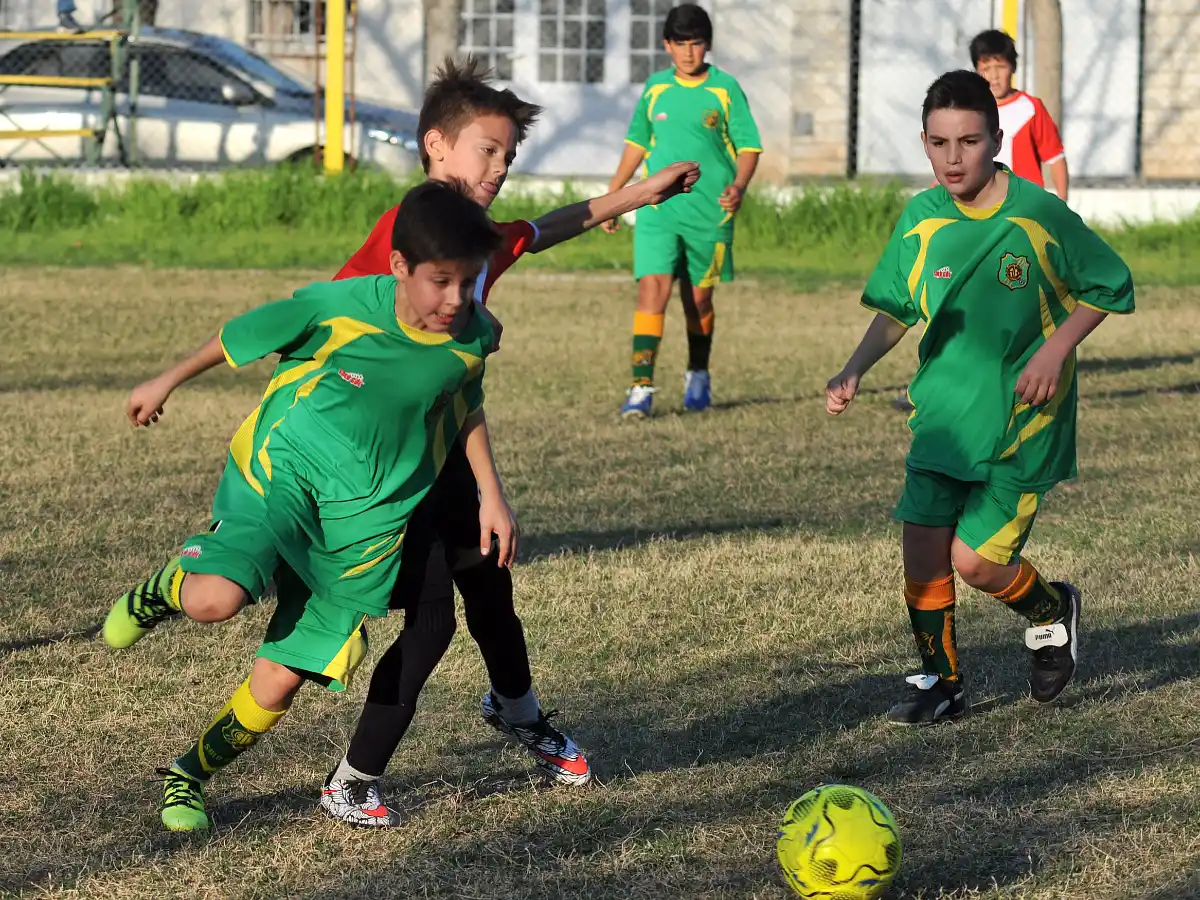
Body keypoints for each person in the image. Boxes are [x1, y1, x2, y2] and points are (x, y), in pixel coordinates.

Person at [319, 57, 700, 826]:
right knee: (431, 622)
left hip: (444, 447)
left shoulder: (471, 236)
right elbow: (329, 320)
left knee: (490, 580)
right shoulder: (410, 234)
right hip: (384, 467)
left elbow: (544, 229)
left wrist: (639, 192)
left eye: (508, 156)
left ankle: (520, 714)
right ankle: (350, 781)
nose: (499, 167)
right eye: (486, 150)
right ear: (435, 146)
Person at [102, 180, 511, 832]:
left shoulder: (474, 337)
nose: (456, 300)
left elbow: (463, 406)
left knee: (280, 684)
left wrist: (492, 493)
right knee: (214, 600)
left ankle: (188, 774)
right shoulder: (338, 307)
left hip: (367, 529)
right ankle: (168, 587)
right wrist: (166, 380)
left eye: (468, 281)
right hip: (284, 477)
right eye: (440, 281)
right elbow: (243, 336)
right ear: (400, 267)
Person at [825, 70, 1133, 726]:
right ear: (924, 142)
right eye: (939, 143)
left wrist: (1055, 350)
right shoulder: (921, 218)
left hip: (1020, 422)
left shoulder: (1037, 213)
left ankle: (1051, 613)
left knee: (978, 563)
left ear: (997, 139)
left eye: (969, 141)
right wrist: (853, 369)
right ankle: (941, 683)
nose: (953, 157)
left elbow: (1110, 283)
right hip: (941, 419)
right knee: (923, 556)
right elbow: (896, 309)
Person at [602, 3, 761, 418]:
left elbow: (748, 146)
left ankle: (698, 373)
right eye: (681, 44)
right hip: (657, 210)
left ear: (706, 46)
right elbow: (637, 143)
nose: (689, 52)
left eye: (697, 43)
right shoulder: (655, 88)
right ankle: (640, 388)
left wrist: (738, 186)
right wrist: (613, 197)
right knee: (651, 290)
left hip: (710, 212)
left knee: (698, 301)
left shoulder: (725, 88)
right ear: (667, 46)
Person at [971, 29, 1068, 201]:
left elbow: (1056, 157)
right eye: (986, 68)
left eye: (1000, 67)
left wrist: (1063, 204)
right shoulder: (968, 110)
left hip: (1024, 207)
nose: (994, 76)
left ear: (1013, 67)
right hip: (980, 207)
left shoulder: (1031, 108)